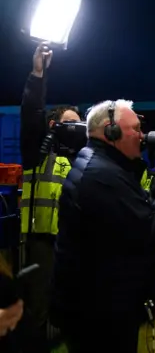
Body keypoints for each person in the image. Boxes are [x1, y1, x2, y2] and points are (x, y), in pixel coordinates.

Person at [50, 99, 155, 353]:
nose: (143, 136)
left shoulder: (104, 166)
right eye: (135, 129)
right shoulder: (102, 176)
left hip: (101, 307)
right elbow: (152, 232)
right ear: (110, 131)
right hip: (99, 317)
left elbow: (128, 219)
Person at [19, 42, 82, 351]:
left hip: (71, 243)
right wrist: (38, 74)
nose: (75, 129)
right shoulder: (36, 152)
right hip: (41, 241)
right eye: (69, 123)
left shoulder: (81, 157)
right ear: (54, 126)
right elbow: (32, 114)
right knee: (39, 306)